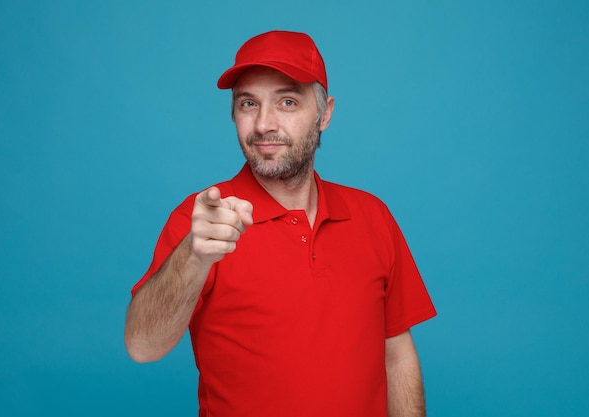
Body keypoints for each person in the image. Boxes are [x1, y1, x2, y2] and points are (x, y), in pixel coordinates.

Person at [124, 30, 436, 417]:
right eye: (248, 104)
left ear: (325, 114)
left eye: (287, 102)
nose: (263, 124)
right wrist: (193, 255)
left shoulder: (372, 215)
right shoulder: (202, 219)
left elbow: (397, 355)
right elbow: (142, 346)